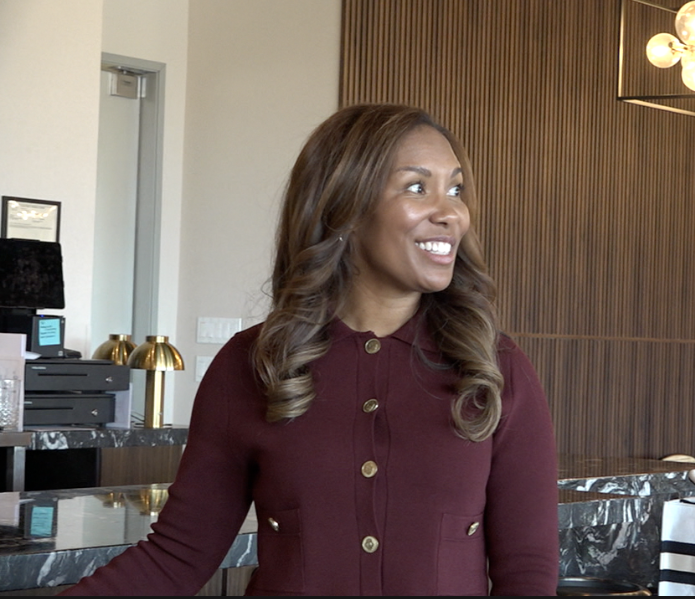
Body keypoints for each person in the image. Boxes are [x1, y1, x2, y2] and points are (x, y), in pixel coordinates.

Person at [62, 104, 560, 596]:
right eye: (416, 187)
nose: (451, 213)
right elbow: (177, 556)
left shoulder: (495, 368)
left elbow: (528, 572)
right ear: (345, 206)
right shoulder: (252, 364)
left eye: (455, 190)